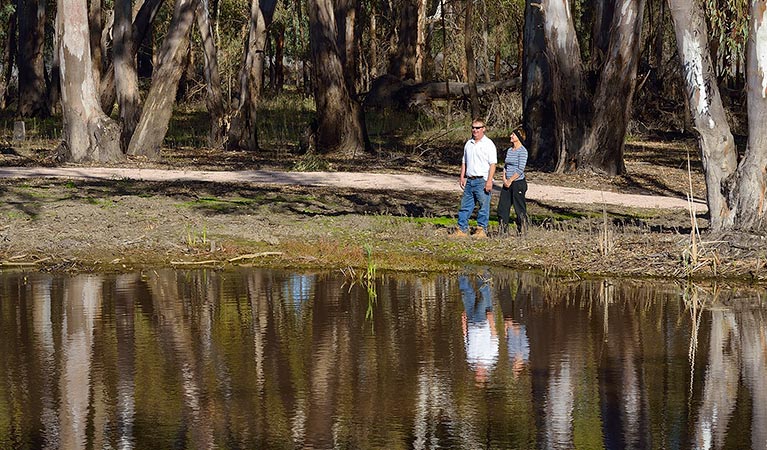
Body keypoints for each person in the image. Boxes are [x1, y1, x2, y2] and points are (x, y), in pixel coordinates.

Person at [452, 119, 497, 238]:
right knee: (465, 206)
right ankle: (461, 229)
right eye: (473, 127)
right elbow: (464, 161)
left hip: (482, 180)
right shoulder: (469, 144)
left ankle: (481, 230)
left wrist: (489, 181)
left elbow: (493, 164)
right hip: (470, 180)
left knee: (483, 206)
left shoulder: (488, 144)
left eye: (478, 128)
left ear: (483, 129)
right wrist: (462, 176)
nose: (475, 130)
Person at [497, 128, 528, 235]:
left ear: (518, 137)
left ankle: (522, 231)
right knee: (502, 208)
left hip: (518, 183)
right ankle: (502, 231)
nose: (511, 136)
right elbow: (505, 165)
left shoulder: (523, 151)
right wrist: (504, 178)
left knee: (519, 209)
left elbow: (520, 169)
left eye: (513, 135)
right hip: (507, 183)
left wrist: (510, 180)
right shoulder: (510, 150)